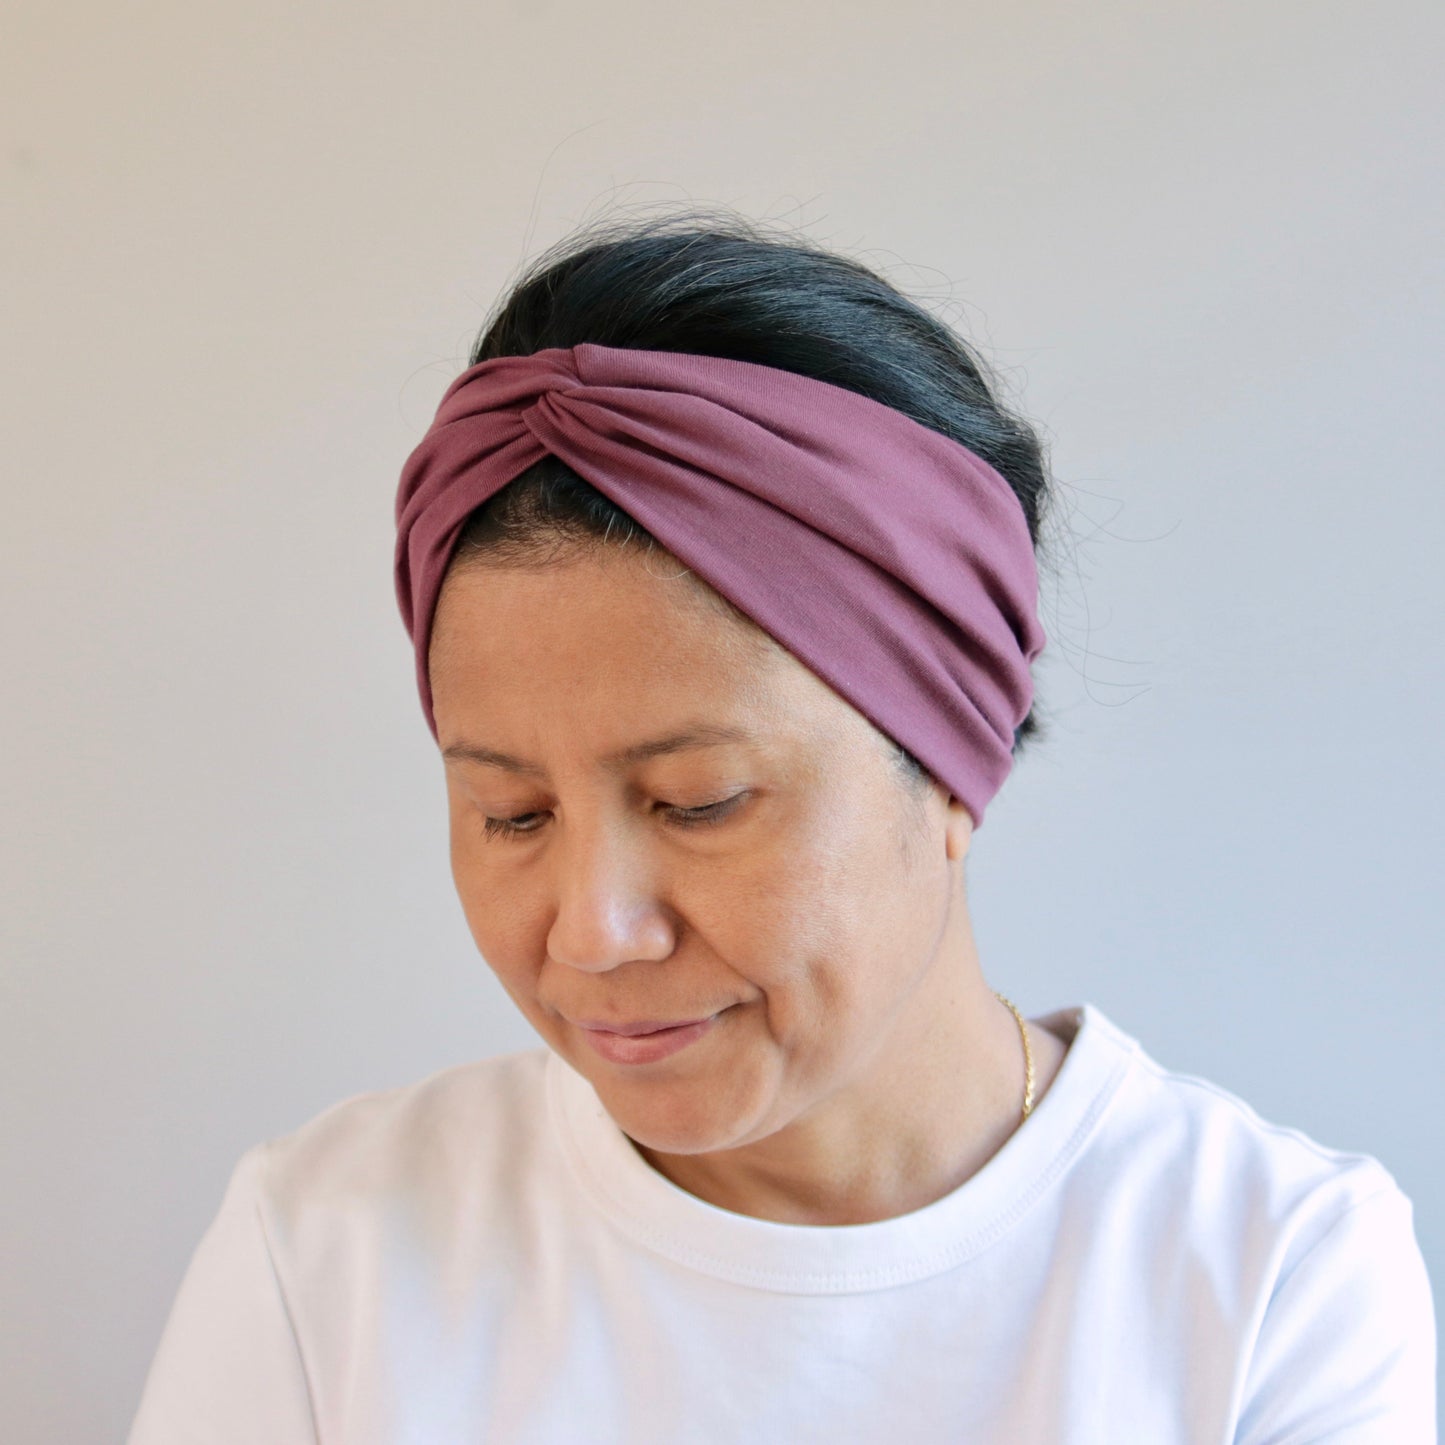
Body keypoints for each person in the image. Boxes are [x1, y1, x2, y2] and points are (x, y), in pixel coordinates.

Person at [127, 210, 1437, 1443]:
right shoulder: (328, 1246)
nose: (594, 929)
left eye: (698, 800)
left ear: (947, 768)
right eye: (509, 811)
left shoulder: (1272, 1273)